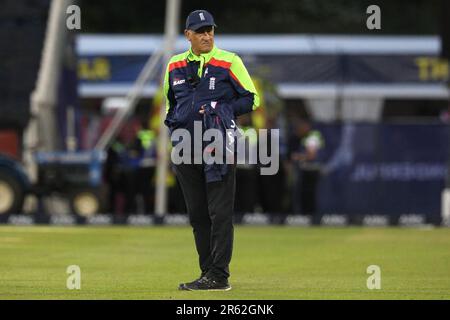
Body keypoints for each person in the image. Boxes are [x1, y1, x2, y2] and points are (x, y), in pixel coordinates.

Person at [163, 10, 259, 291]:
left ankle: (219, 275)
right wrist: (174, 126)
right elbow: (170, 103)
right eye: (200, 31)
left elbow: (252, 99)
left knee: (219, 213)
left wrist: (222, 108)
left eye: (210, 30)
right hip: (185, 147)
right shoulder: (174, 64)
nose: (207, 35)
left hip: (218, 146)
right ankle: (208, 274)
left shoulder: (230, 61)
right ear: (188, 35)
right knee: (198, 215)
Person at [289, 119, 325, 216]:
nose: (299, 130)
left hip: (311, 170)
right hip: (307, 170)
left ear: (307, 126)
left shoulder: (312, 137)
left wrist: (298, 157)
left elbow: (311, 156)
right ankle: (307, 216)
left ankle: (310, 217)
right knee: (305, 196)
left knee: (308, 196)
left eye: (301, 127)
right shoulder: (308, 136)